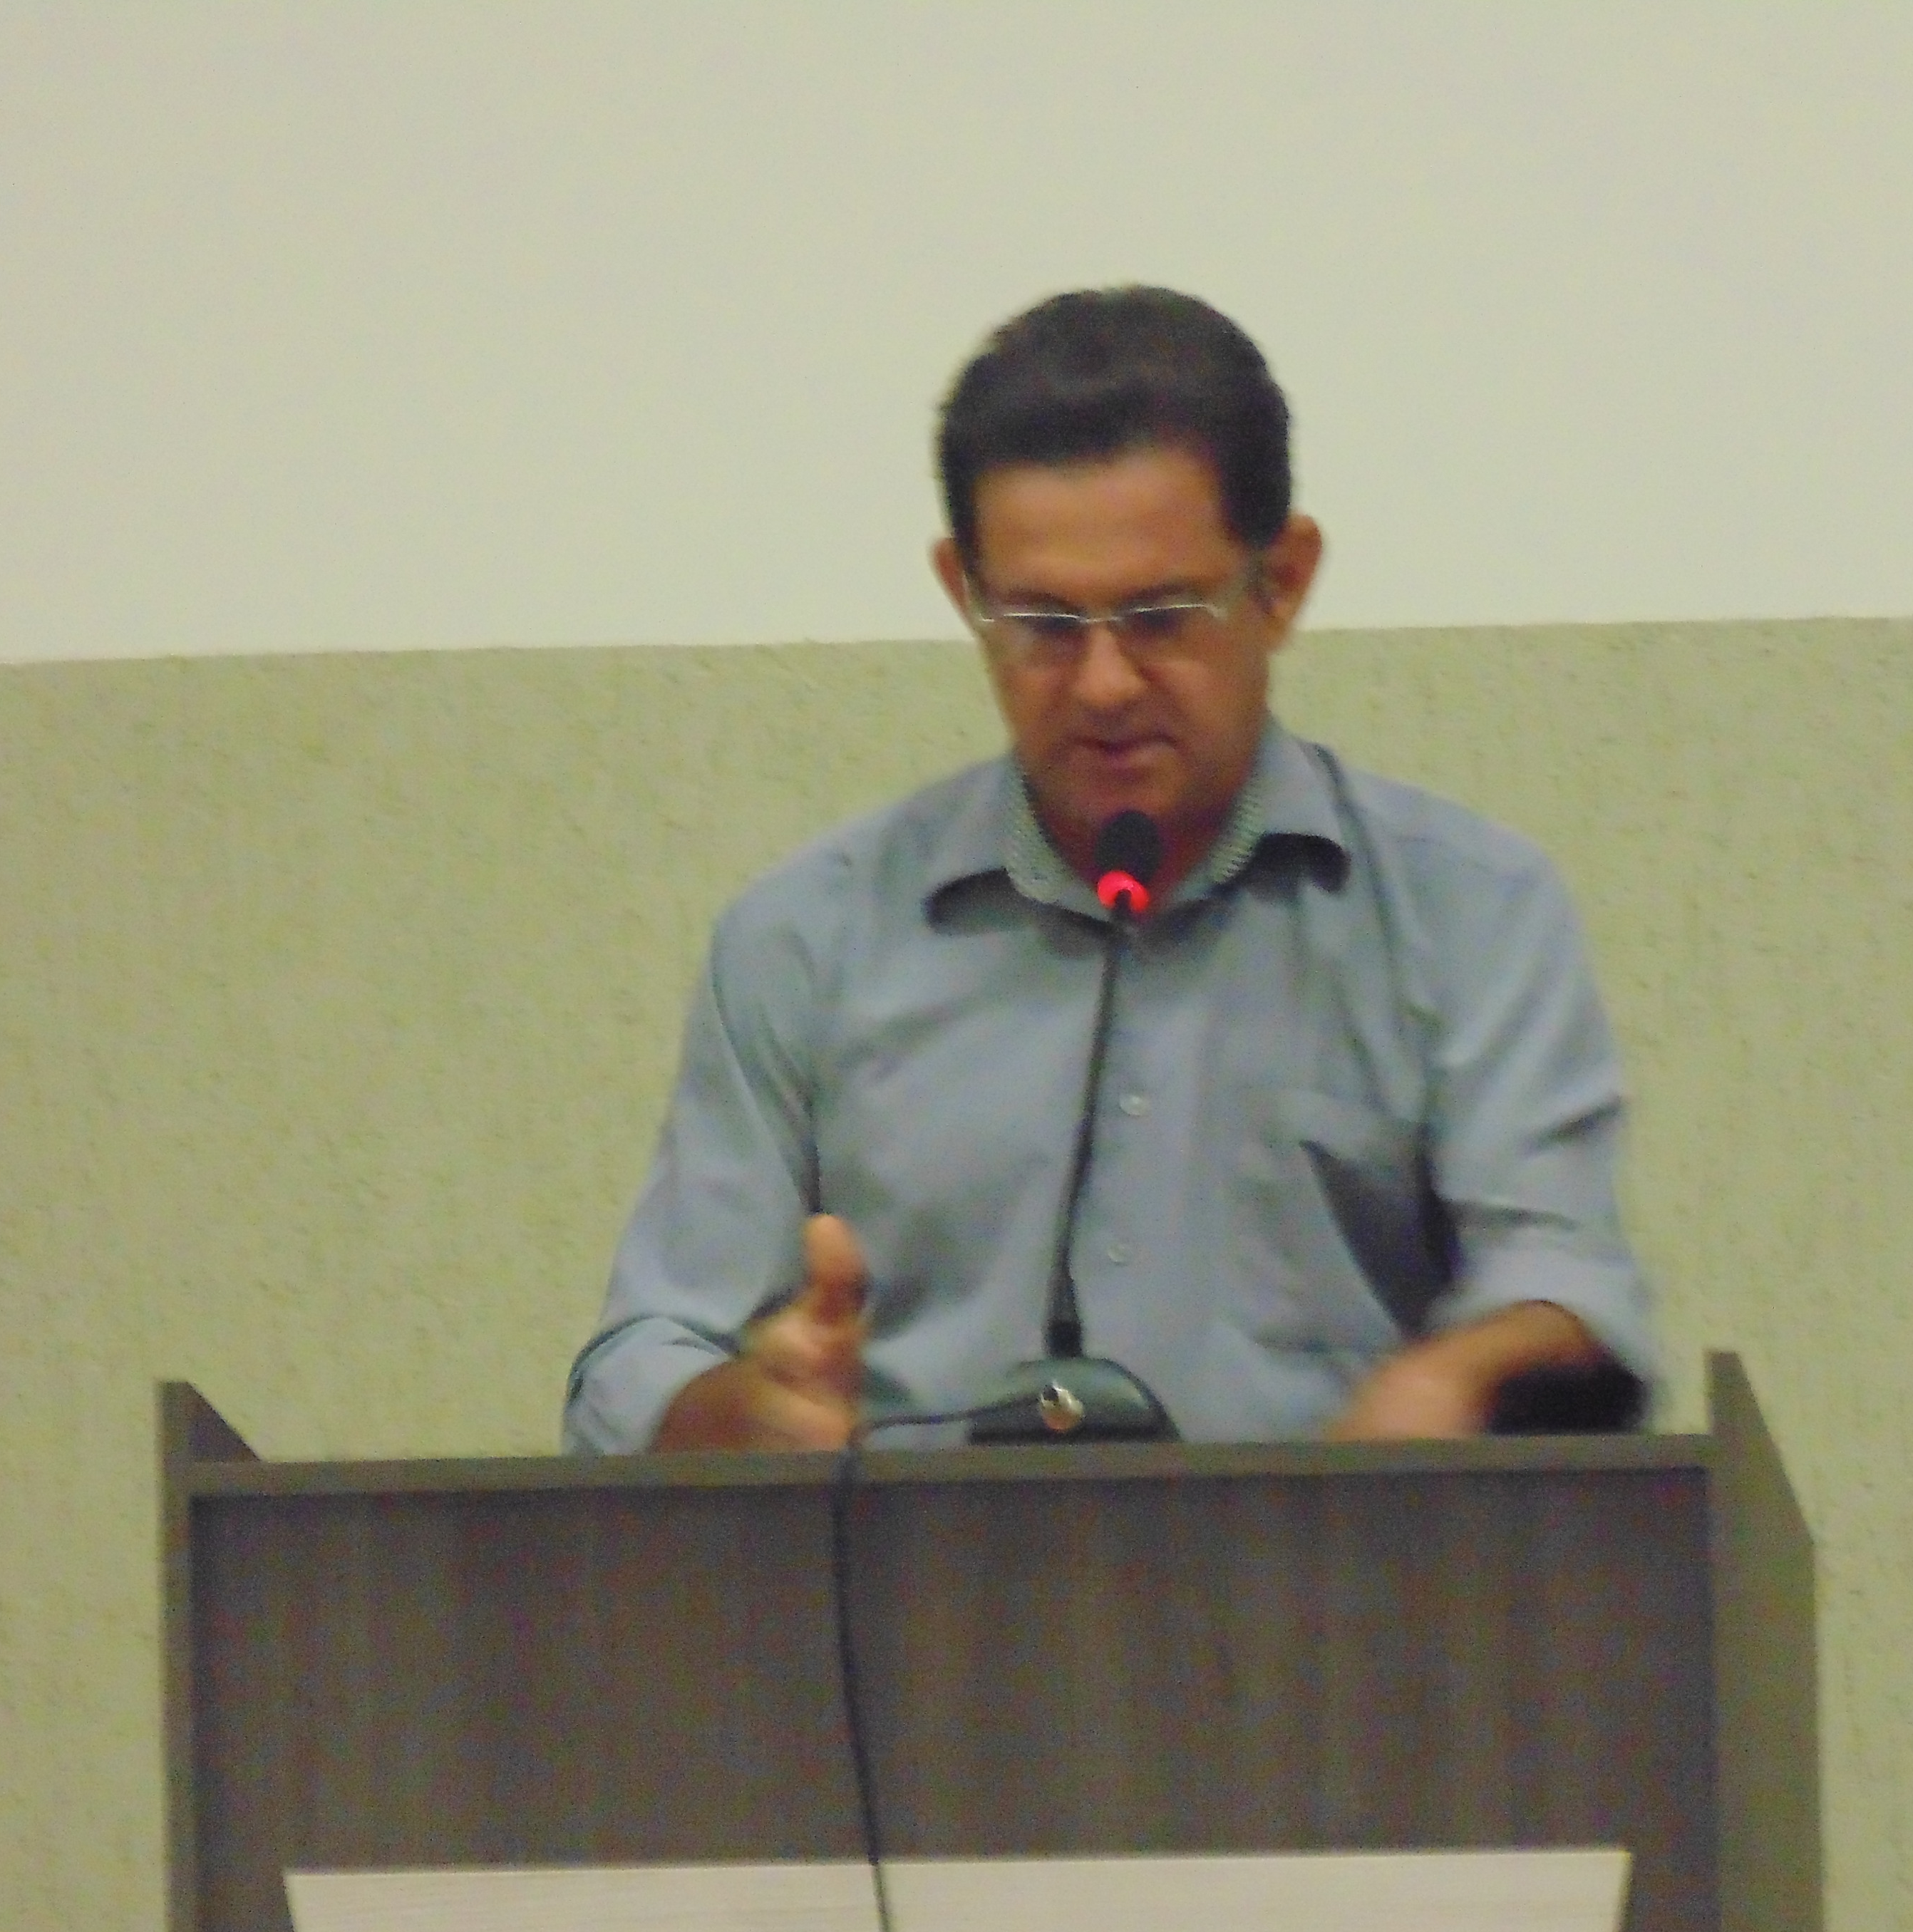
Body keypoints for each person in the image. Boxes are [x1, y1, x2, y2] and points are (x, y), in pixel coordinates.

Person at [563, 286, 1655, 1455]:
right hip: (910, 1570)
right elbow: (638, 1367)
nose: (1103, 686)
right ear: (963, 592)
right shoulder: (807, 939)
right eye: (1042, 625)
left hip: (1330, 1562)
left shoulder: (1471, 912)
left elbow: (1566, 1285)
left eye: (1160, 617)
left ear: (1282, 582)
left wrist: (1459, 1378)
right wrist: (751, 1413)